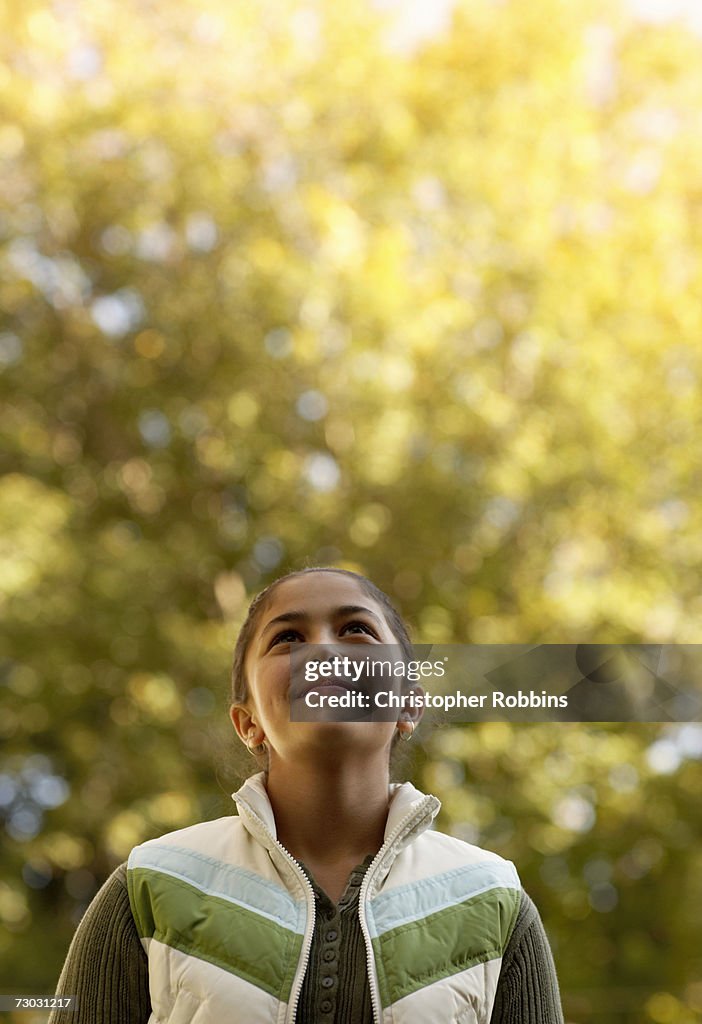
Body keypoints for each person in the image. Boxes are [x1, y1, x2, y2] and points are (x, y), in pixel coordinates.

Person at [49, 566, 564, 1023]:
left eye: (356, 629)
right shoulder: (147, 889)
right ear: (248, 723)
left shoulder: (494, 900)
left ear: (408, 704)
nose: (323, 651)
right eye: (288, 638)